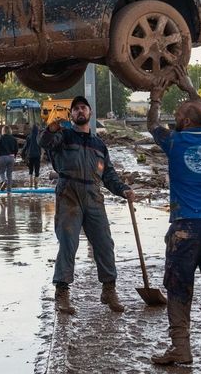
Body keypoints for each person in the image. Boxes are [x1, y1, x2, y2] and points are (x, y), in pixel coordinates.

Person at [147, 66, 201, 370]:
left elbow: (152, 123)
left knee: (179, 289)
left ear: (183, 121)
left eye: (178, 112)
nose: (174, 115)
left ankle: (180, 349)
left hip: (184, 229)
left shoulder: (174, 143)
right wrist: (190, 89)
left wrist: (156, 96)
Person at [40, 96, 135, 315]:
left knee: (104, 243)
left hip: (93, 194)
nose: (80, 111)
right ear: (71, 115)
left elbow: (108, 174)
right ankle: (62, 293)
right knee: (68, 243)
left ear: (90, 113)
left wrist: (123, 190)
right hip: (69, 193)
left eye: (84, 108)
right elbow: (44, 143)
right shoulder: (62, 137)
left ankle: (109, 290)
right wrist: (52, 128)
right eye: (76, 109)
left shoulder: (99, 144)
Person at [0, 126, 19, 192]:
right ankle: (9, 190)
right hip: (11, 157)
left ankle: (3, 181)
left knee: (1, 171)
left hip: (2, 157)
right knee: (9, 174)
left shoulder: (0, 138)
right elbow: (16, 149)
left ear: (3, 131)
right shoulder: (14, 139)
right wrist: (14, 155)